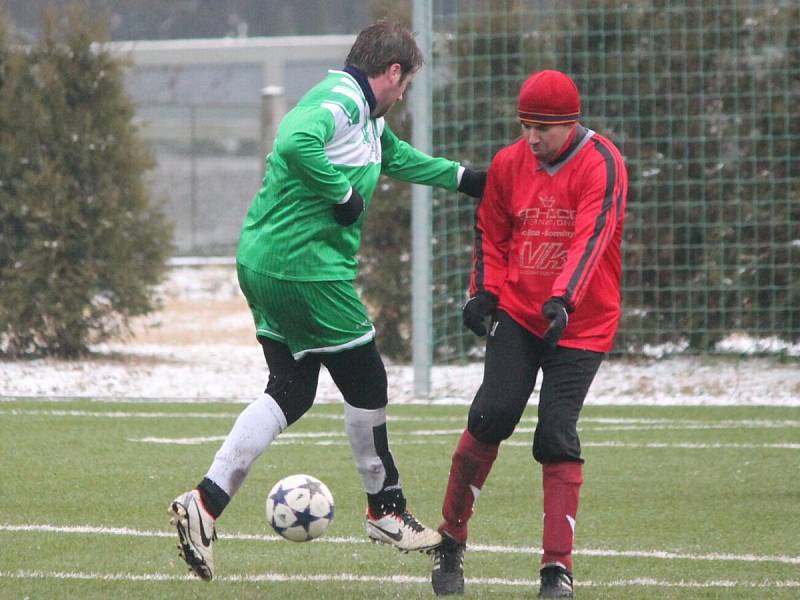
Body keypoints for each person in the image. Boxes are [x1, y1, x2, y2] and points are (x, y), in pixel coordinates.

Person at [167, 20, 486, 582]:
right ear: (391, 73)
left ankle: (206, 501)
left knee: (291, 390)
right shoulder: (340, 98)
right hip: (305, 271)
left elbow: (399, 158)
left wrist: (467, 179)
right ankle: (385, 509)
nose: (403, 93)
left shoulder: (367, 119)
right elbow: (294, 139)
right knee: (367, 380)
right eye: (405, 82)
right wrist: (340, 193)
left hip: (265, 262)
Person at [430, 69, 628, 598]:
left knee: (555, 434)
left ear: (570, 123)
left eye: (543, 127)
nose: (532, 138)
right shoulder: (509, 163)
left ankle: (555, 569)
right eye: (525, 127)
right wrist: (483, 292)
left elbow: (592, 237)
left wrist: (563, 298)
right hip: (519, 314)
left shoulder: (603, 164)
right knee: (491, 416)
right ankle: (450, 541)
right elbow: (490, 234)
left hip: (580, 322)